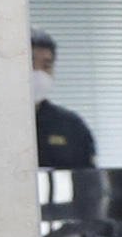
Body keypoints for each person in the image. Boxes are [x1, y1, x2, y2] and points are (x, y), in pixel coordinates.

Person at [29, 34, 96, 172]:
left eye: (46, 66)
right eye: (30, 64)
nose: (38, 73)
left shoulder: (71, 125)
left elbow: (88, 178)